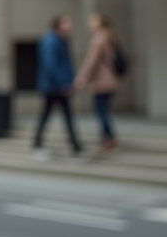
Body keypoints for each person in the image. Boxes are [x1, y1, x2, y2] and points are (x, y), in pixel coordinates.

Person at [32, 15, 83, 160]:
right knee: (53, 116)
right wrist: (64, 83)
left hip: (57, 86)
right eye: (67, 22)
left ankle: (75, 147)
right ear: (59, 24)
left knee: (61, 116)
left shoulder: (59, 40)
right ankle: (74, 147)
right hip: (53, 87)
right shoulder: (51, 40)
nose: (70, 24)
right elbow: (51, 65)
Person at [74, 13, 122, 152]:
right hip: (111, 79)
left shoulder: (98, 39)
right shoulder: (109, 36)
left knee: (101, 111)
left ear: (100, 23)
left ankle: (109, 138)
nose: (90, 23)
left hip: (102, 81)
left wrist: (81, 79)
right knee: (104, 109)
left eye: (93, 21)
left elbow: (90, 62)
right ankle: (107, 138)